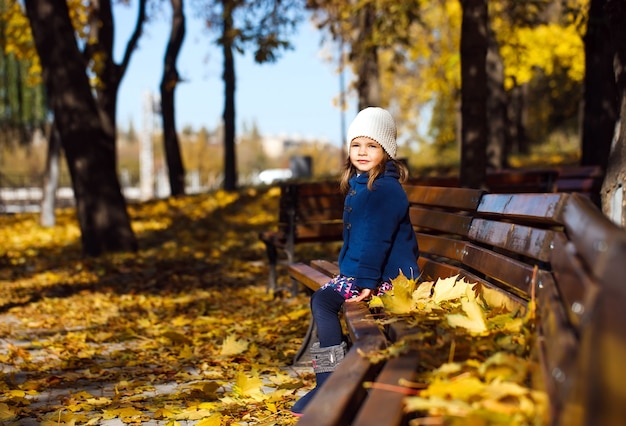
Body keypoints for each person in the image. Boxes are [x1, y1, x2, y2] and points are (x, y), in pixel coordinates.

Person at [291, 106, 420, 416]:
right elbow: (359, 238)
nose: (362, 152)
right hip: (368, 272)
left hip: (388, 279)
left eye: (372, 145)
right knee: (323, 299)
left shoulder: (384, 189)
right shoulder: (361, 185)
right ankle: (328, 382)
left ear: (386, 151)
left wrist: (363, 281)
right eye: (356, 145)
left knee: (323, 301)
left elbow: (377, 239)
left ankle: (328, 386)